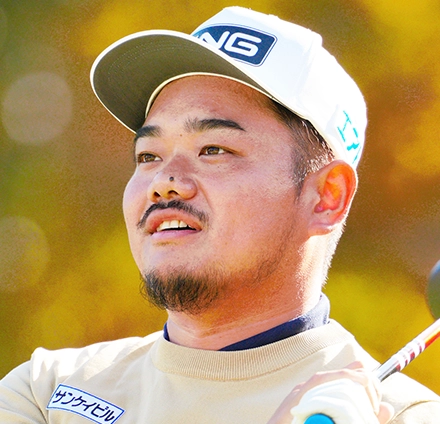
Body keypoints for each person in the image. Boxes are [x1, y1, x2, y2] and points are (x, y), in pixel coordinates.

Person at [0, 6, 439, 424]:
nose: (164, 181)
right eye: (148, 154)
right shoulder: (45, 390)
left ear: (327, 196)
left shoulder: (407, 416)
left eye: (213, 150)